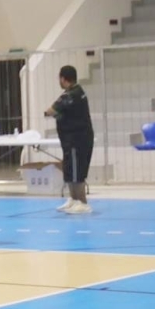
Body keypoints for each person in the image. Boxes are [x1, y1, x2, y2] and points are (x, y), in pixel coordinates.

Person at [44, 65, 94, 214]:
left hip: (78, 139)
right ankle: (74, 199)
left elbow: (50, 110)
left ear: (63, 79)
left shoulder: (72, 94)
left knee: (77, 170)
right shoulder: (74, 92)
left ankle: (83, 202)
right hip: (69, 139)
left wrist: (51, 113)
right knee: (70, 169)